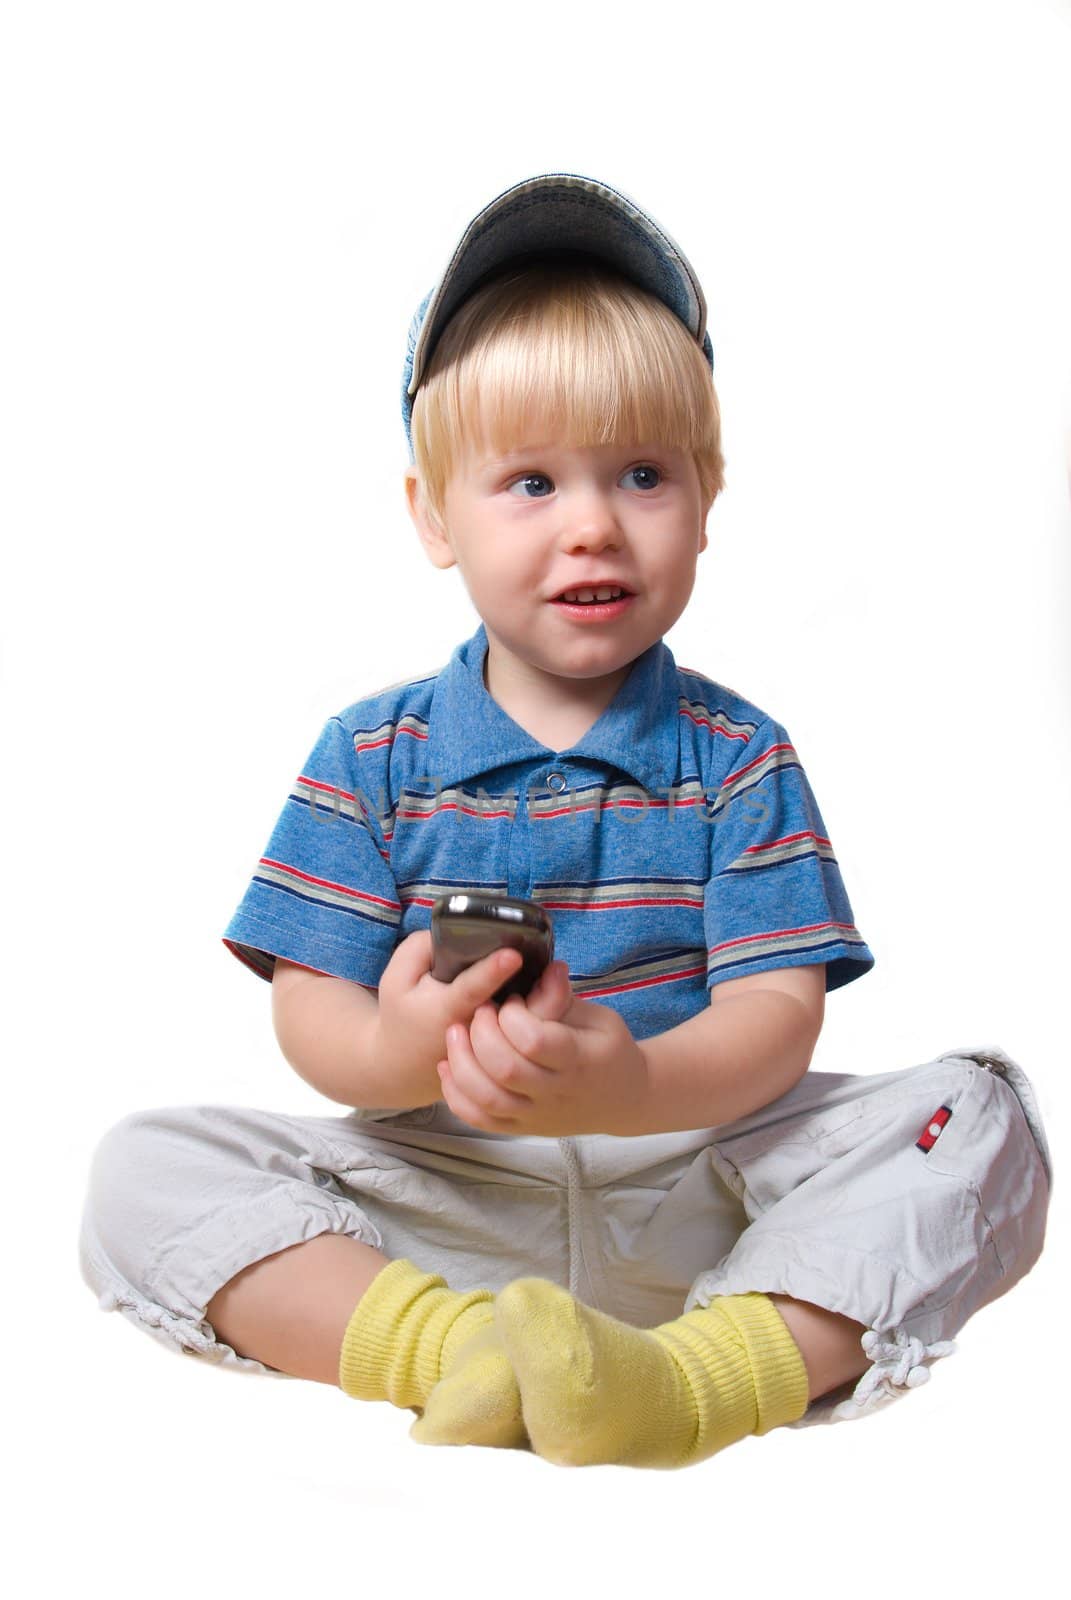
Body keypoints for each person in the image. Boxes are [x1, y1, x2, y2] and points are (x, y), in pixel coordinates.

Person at [78, 173, 1052, 1469]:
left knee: (978, 1118)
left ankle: (689, 1384)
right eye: (530, 483)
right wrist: (400, 1049)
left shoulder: (737, 757)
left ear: (706, 503)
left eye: (641, 474)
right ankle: (458, 1355)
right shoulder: (368, 756)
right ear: (434, 515)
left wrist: (633, 1079)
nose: (593, 522)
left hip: (700, 1179)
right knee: (141, 1172)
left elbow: (777, 1017)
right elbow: (310, 1011)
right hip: (450, 1193)